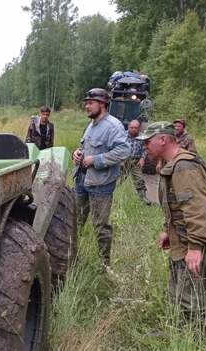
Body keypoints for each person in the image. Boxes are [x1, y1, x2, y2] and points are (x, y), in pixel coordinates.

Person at [137, 121, 206, 338]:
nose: (144, 145)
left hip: (193, 239)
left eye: (148, 141)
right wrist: (168, 230)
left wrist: (195, 246)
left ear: (163, 139)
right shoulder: (172, 163)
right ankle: (179, 333)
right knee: (177, 290)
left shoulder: (183, 166)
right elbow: (177, 205)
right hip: (182, 236)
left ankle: (201, 341)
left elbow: (198, 208)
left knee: (192, 296)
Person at [72, 88, 130, 268]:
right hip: (82, 180)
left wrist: (96, 160)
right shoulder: (91, 125)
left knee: (100, 226)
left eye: (90, 102)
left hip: (100, 184)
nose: (86, 106)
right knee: (76, 220)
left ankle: (104, 264)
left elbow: (123, 150)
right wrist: (77, 153)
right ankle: (72, 257)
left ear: (103, 104)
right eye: (86, 102)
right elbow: (86, 146)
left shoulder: (113, 126)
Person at [121, 120, 151, 205]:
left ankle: (143, 198)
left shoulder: (142, 137)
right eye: (132, 127)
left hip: (136, 161)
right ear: (128, 127)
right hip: (123, 161)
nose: (134, 129)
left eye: (136, 128)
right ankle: (114, 195)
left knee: (139, 179)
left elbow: (145, 150)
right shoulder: (122, 135)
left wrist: (142, 158)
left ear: (139, 128)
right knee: (118, 179)